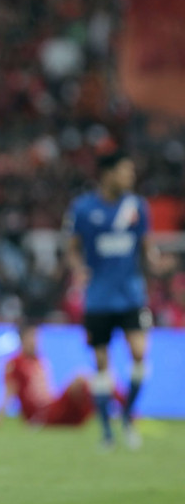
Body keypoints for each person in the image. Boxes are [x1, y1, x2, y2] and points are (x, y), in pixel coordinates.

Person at [64, 150, 159, 450]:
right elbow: (72, 247)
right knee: (102, 364)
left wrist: (156, 264)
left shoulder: (137, 207)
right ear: (108, 173)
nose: (130, 177)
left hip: (131, 295)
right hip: (99, 299)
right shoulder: (83, 208)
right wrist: (78, 269)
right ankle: (106, 430)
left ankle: (128, 416)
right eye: (125, 171)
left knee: (140, 352)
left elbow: (145, 247)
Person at [0, 319, 110, 429]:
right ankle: (120, 408)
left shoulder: (39, 360)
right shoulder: (15, 363)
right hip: (39, 414)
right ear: (22, 339)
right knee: (80, 378)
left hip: (52, 406)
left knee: (88, 382)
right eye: (31, 336)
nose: (35, 340)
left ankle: (111, 410)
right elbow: (9, 391)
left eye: (37, 336)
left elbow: (47, 390)